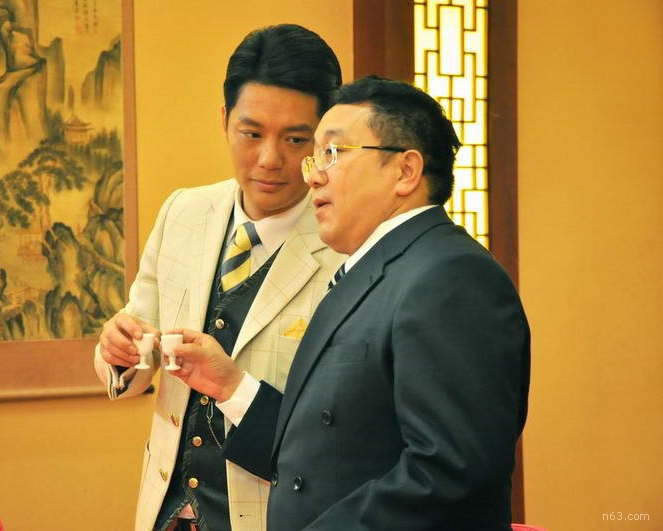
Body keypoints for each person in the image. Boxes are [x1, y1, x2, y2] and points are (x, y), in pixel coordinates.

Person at [170, 76, 531, 530]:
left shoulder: (451, 277)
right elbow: (324, 457)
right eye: (315, 157)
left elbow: (450, 472)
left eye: (333, 153)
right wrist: (229, 388)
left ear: (405, 171)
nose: (313, 175)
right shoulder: (366, 273)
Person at [93, 24, 344, 531]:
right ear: (225, 119)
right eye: (251, 134)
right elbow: (139, 346)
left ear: (325, 140)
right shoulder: (184, 211)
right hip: (166, 511)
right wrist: (119, 351)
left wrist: (234, 388)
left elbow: (338, 432)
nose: (269, 159)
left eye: (296, 139)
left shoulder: (344, 246)